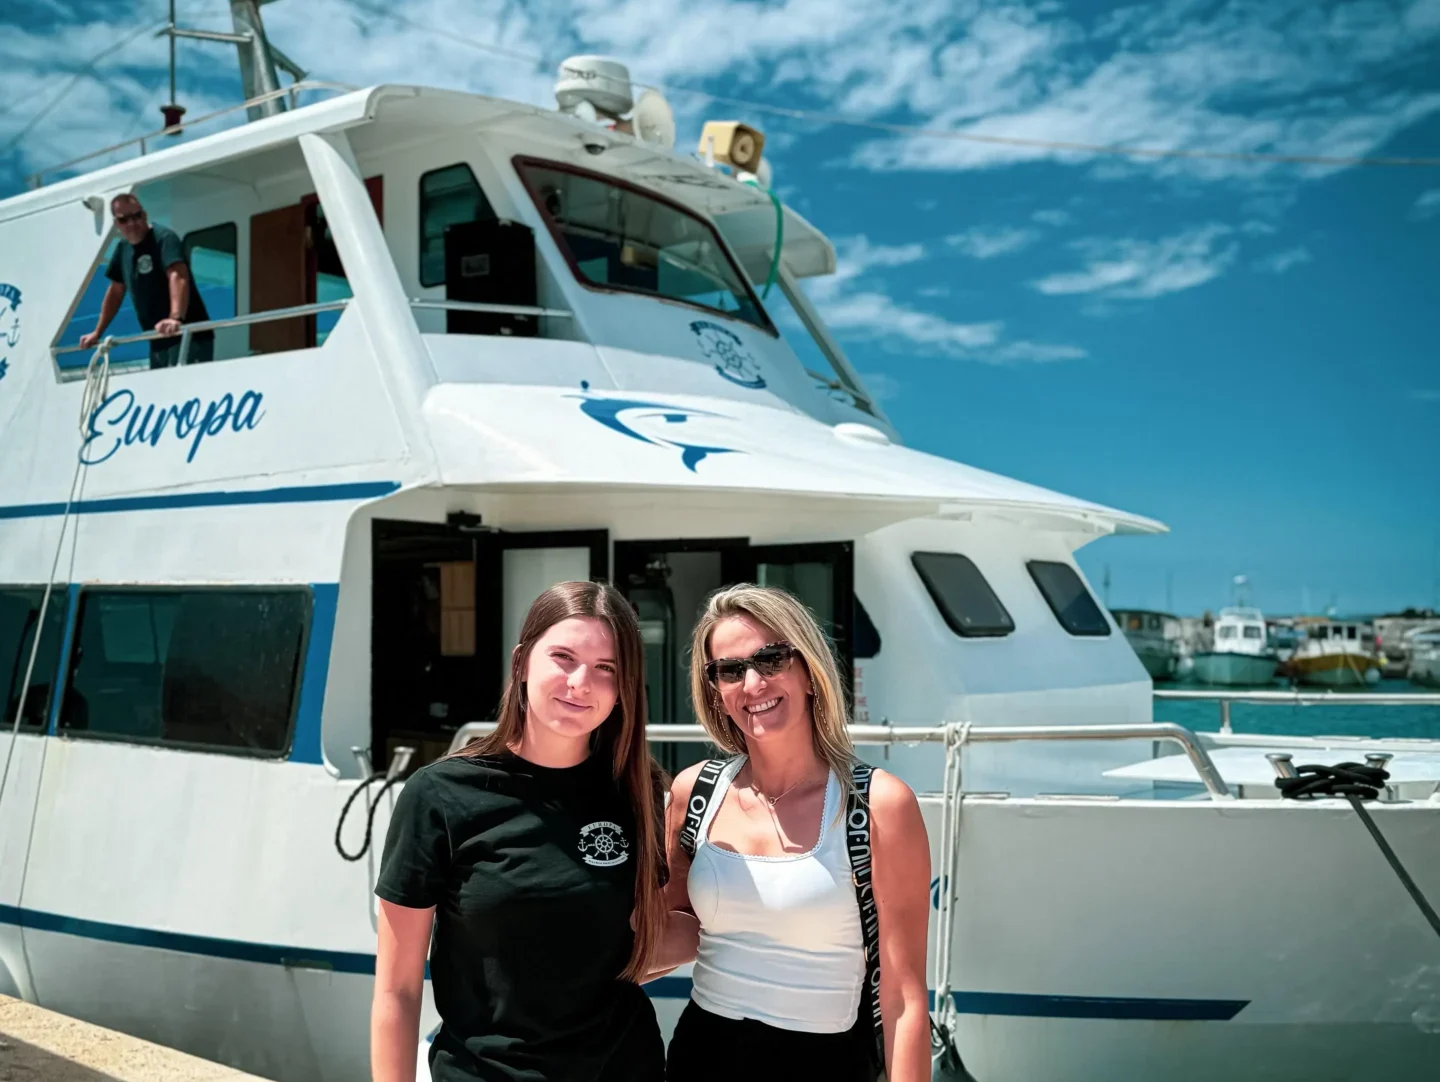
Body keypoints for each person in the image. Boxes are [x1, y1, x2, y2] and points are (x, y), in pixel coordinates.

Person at [372, 580, 673, 1082]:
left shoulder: (639, 793)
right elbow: (396, 991)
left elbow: (650, 942)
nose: (581, 682)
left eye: (606, 669)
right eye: (564, 657)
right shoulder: (440, 796)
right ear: (522, 661)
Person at [663, 585, 932, 1082]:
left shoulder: (878, 806)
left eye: (771, 659)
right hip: (700, 1057)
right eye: (729, 670)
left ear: (809, 672)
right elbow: (674, 924)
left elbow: (903, 1000)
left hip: (826, 1063)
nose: (752, 683)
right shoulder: (693, 792)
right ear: (716, 693)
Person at [79, 194, 214, 369]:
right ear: (116, 224)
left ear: (145, 215)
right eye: (124, 219)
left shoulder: (164, 238)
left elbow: (178, 276)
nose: (132, 223)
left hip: (187, 335)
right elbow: (115, 292)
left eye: (136, 216)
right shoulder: (122, 249)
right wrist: (97, 332)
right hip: (157, 339)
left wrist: (175, 318)